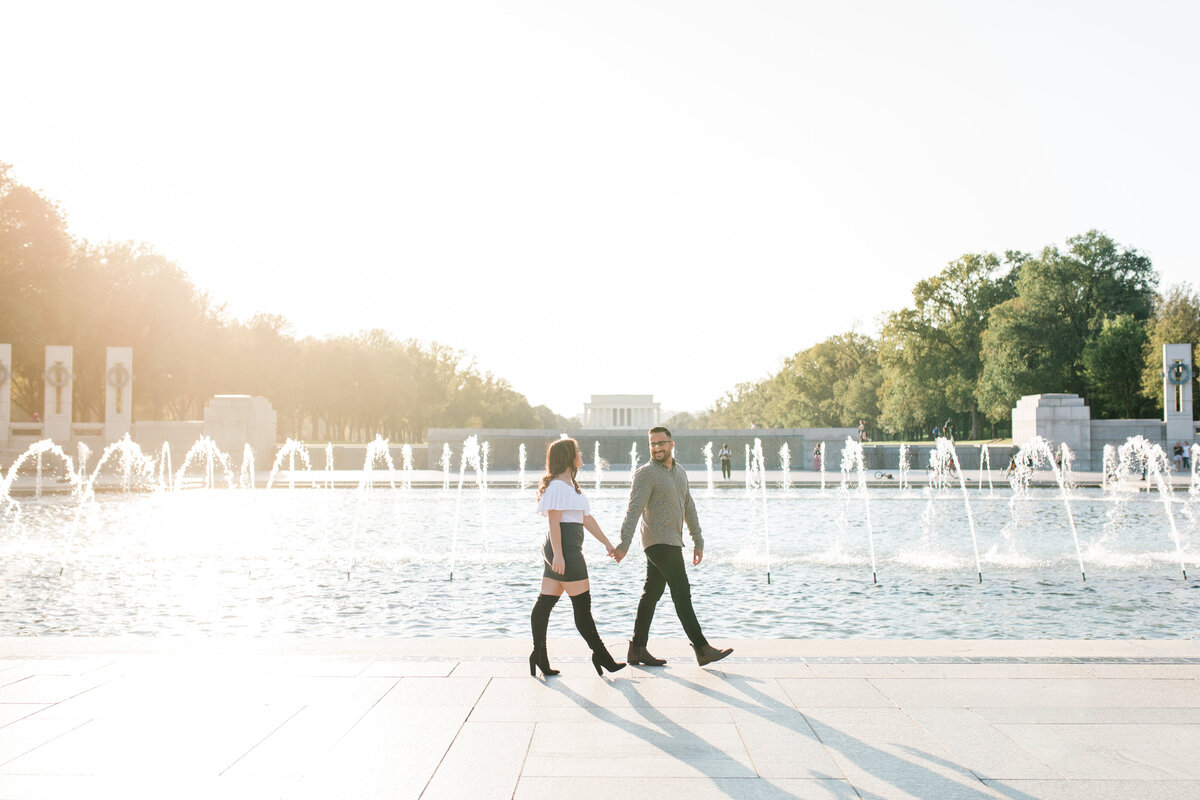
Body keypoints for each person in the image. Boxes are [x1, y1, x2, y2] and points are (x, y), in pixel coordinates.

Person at [614, 427, 733, 667]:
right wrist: (623, 544)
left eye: (661, 443)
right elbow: (634, 508)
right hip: (657, 541)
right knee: (682, 592)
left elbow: (689, 506)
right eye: (652, 444)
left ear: (671, 444)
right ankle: (702, 648)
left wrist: (697, 540)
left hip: (673, 540)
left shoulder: (679, 472)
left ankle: (637, 648)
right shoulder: (646, 473)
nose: (657, 448)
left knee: (652, 593)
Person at [529, 438, 626, 678]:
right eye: (577, 451)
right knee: (582, 607)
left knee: (546, 602)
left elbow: (585, 518)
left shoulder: (569, 485)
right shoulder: (558, 487)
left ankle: (538, 655)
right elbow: (554, 522)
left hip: (565, 547)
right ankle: (601, 655)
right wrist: (559, 556)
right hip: (564, 549)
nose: (581, 453)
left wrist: (607, 543)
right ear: (568, 457)